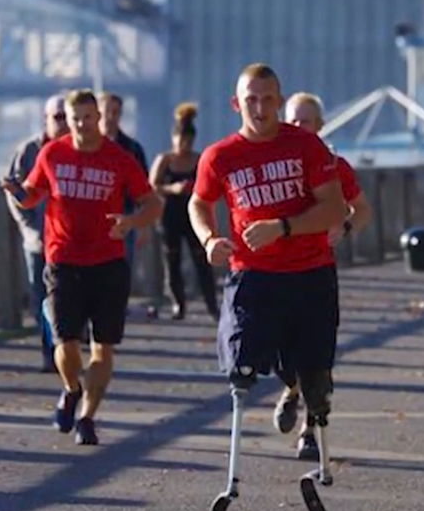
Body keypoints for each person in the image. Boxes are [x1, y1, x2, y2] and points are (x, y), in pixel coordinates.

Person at [189, 63, 347, 454]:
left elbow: (334, 209)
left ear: (279, 101)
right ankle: (235, 469)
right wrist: (209, 238)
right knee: (242, 364)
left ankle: (313, 420)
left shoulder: (306, 146)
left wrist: (283, 227)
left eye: (267, 100)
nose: (259, 109)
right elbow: (199, 202)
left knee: (313, 370)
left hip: (310, 272)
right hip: (254, 274)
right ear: (235, 104)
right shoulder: (220, 156)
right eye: (251, 100)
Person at [4, 89, 162, 446]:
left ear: (99, 118)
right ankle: (71, 388)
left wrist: (132, 222)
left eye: (88, 118)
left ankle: (88, 418)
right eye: (75, 119)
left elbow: (153, 204)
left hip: (107, 263)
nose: (81, 125)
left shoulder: (118, 158)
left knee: (103, 349)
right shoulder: (52, 153)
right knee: (66, 342)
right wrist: (16, 191)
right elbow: (32, 195)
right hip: (62, 260)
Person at [272, 91, 374, 460]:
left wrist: (345, 227)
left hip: (316, 270)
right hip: (276, 270)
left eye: (307, 120)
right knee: (279, 354)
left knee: (317, 357)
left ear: (320, 125)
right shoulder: (277, 165)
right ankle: (291, 389)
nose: (299, 127)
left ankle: (310, 431)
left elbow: (362, 210)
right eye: (293, 120)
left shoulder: (334, 165)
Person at [5, 94, 70, 372]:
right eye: (57, 117)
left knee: (69, 300)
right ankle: (49, 353)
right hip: (38, 242)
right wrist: (31, 230)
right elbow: (14, 193)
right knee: (42, 300)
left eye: (66, 116)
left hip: (69, 242)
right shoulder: (29, 151)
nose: (64, 123)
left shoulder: (79, 150)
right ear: (45, 120)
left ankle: (67, 351)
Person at [148, 102, 219, 320]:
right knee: (172, 260)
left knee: (201, 260)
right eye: (180, 140)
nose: (183, 145)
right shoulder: (165, 160)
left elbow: (211, 184)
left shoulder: (199, 160)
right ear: (174, 138)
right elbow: (152, 184)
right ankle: (178, 303)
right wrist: (173, 188)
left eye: (187, 141)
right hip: (170, 214)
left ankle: (212, 304)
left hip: (193, 215)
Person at [98, 92, 151, 284]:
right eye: (107, 112)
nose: (111, 117)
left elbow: (145, 191)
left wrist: (143, 224)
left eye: (116, 112)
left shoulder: (132, 148)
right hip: (92, 215)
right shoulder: (86, 146)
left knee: (122, 266)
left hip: (124, 215)